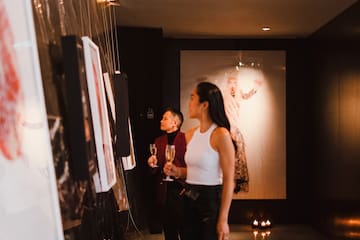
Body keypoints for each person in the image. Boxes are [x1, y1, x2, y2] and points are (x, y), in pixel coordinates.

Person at [164, 82, 235, 240]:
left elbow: (230, 179)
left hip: (209, 203)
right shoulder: (190, 135)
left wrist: (223, 219)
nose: (189, 103)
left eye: (192, 98)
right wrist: (178, 171)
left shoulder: (220, 135)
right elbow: (196, 171)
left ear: (204, 105)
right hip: (189, 198)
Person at [147, 107, 186, 240]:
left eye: (165, 118)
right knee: (169, 231)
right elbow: (155, 169)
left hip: (180, 190)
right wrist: (152, 164)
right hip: (164, 191)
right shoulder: (159, 141)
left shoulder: (185, 139)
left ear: (175, 122)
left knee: (185, 229)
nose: (161, 120)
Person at [223, 76, 262, 193]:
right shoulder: (223, 96)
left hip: (234, 129)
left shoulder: (239, 94)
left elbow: (247, 96)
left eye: (235, 83)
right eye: (230, 82)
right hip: (226, 130)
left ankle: (237, 181)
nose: (233, 85)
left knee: (238, 155)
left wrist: (255, 87)